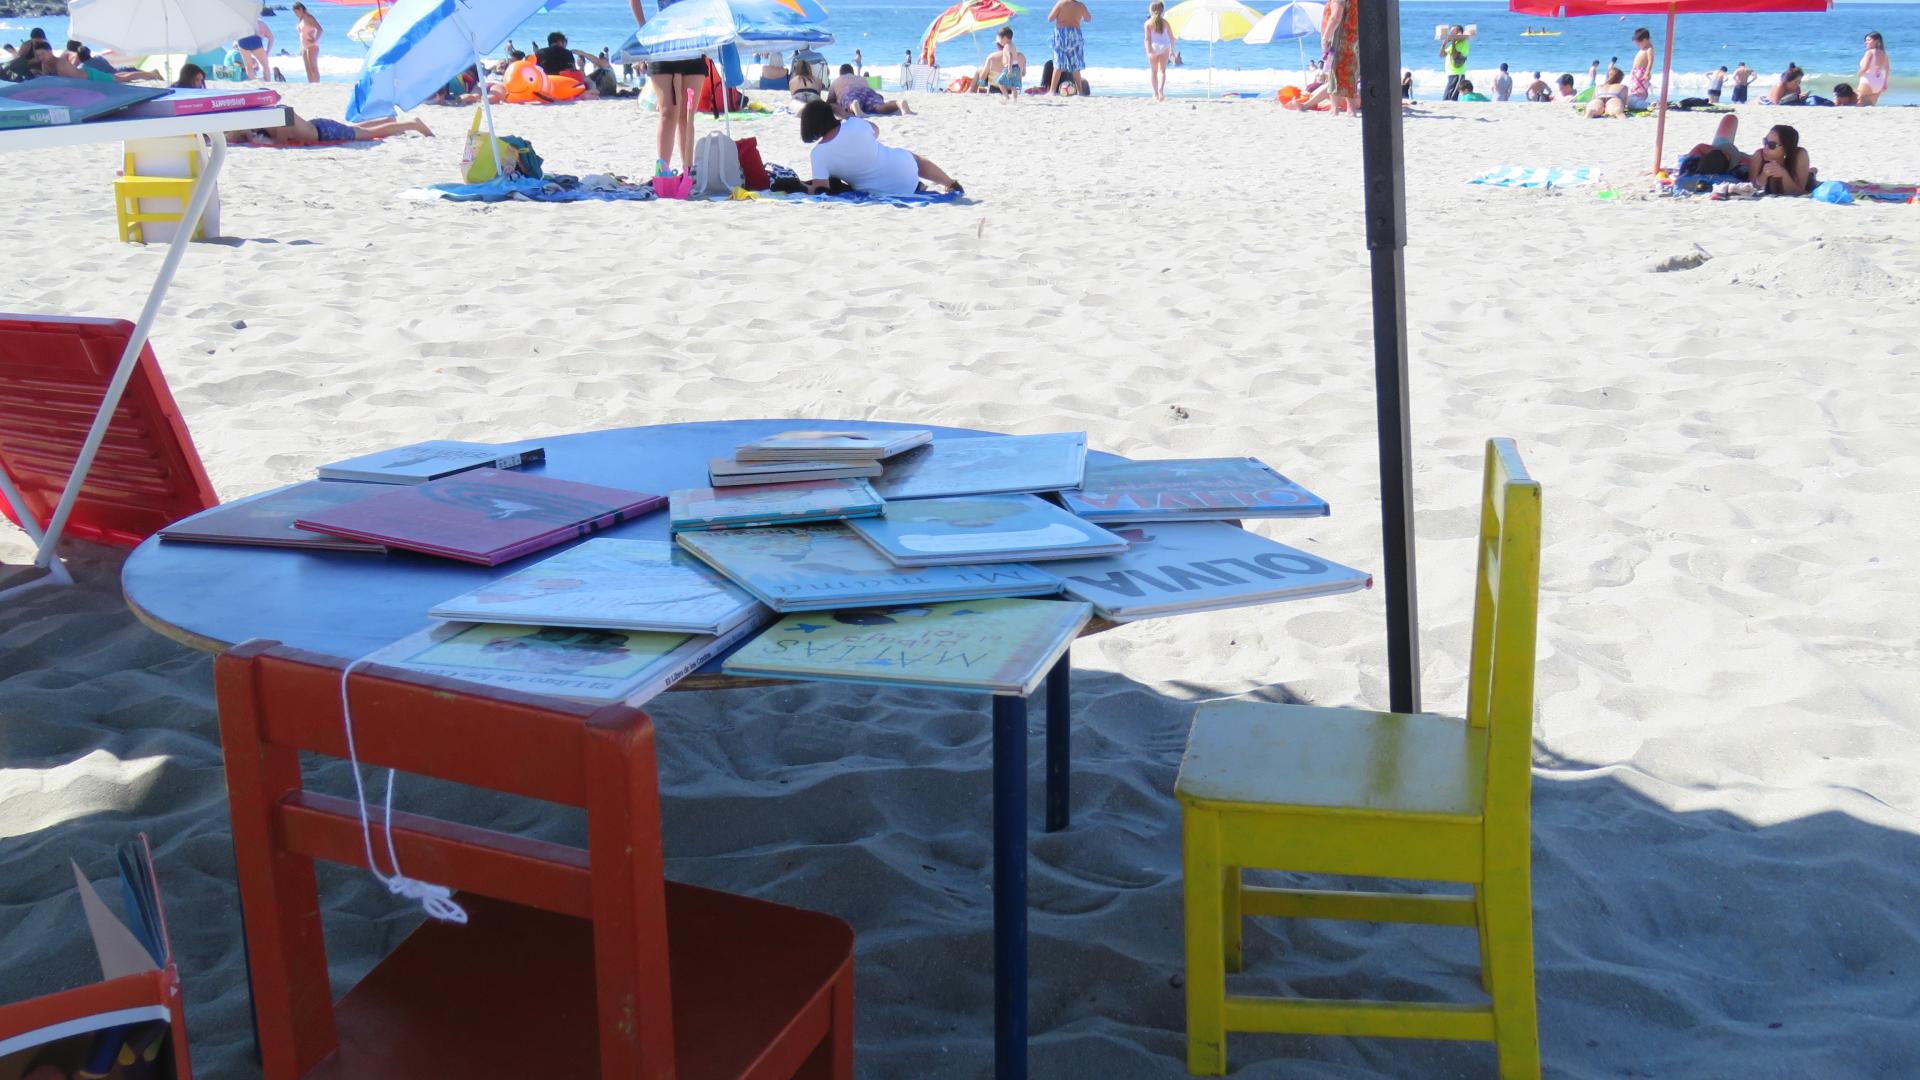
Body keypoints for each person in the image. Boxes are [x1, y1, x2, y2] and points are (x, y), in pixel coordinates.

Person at [798, 99, 959, 196]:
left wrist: (800, 186)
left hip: (878, 190)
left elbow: (821, 191)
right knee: (913, 159)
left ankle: (918, 185)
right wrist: (846, 115)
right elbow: (876, 130)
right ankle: (950, 183)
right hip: (903, 168)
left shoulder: (818, 154)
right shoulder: (854, 125)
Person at [630, 0, 709, 178]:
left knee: (687, 116)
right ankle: (662, 172)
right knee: (668, 113)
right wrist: (643, 28)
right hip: (662, 44)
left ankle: (687, 172)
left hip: (693, 44)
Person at [243, 108, 433, 146]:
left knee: (367, 134)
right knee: (356, 129)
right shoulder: (269, 119)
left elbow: (281, 143)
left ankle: (413, 124)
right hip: (318, 126)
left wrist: (268, 140)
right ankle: (389, 120)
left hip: (323, 132)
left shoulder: (279, 117)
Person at [1318, 0, 1358, 116]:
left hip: (1339, 39)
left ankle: (1334, 109)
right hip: (1353, 39)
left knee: (1334, 71)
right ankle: (1351, 109)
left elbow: (1335, 17)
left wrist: (1325, 38)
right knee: (1351, 73)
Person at [830, 62, 912, 115]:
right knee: (879, 107)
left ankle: (853, 105)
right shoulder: (860, 78)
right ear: (853, 72)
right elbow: (868, 89)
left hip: (850, 92)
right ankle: (898, 103)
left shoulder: (836, 81)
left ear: (840, 73)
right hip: (868, 91)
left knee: (849, 102)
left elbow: (830, 101)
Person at [1046, 0, 1090, 97]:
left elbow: (1050, 18)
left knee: (1058, 63)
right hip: (1075, 34)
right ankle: (1080, 92)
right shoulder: (1080, 5)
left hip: (1061, 34)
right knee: (1075, 64)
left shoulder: (1061, 3)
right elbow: (1088, 18)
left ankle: (1052, 91)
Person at [983, 27, 1025, 100]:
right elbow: (1023, 73)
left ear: (1005, 38)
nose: (1000, 41)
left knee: (1000, 83)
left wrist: (1009, 68)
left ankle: (1006, 97)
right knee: (1013, 86)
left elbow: (1010, 56)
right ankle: (1014, 99)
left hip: (1009, 67)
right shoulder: (1013, 45)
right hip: (1016, 67)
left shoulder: (1006, 46)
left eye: (1000, 39)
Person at [1143, 1, 1173, 102]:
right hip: (1165, 47)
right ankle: (1161, 91)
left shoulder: (1147, 23)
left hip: (1154, 47)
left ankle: (1155, 94)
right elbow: (1172, 37)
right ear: (1162, 10)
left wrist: (1149, 52)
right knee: (1163, 71)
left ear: (1151, 10)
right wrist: (1172, 50)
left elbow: (1147, 39)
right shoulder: (1165, 22)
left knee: (1154, 71)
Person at [290, 2, 321, 83]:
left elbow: (320, 29)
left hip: (312, 45)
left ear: (300, 9)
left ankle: (317, 84)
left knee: (313, 67)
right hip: (304, 46)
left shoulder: (309, 18)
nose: (296, 14)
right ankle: (311, 84)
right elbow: (301, 34)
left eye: (296, 12)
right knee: (307, 68)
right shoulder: (301, 19)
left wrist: (315, 39)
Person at [1856, 32, 1888, 106]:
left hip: (1868, 81)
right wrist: (1885, 83)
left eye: (1868, 40)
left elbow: (1864, 68)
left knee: (1859, 103)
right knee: (1870, 105)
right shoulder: (1884, 53)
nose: (1866, 42)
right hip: (1879, 82)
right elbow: (1887, 69)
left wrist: (1859, 74)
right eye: (1866, 40)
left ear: (1876, 41)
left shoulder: (1869, 52)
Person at [1439, 25, 1470, 100]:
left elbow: (1454, 56)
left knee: (1451, 97)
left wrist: (1453, 41)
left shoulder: (1464, 43)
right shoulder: (1454, 45)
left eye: (1453, 31)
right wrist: (1444, 44)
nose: (1451, 33)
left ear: (1459, 32)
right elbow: (1441, 55)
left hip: (1457, 74)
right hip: (1451, 74)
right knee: (1446, 97)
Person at [1628, 27, 1653, 109]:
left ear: (1645, 40)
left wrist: (1648, 72)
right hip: (1636, 72)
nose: (1638, 45)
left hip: (1642, 73)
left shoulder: (1649, 49)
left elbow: (1650, 61)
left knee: (1640, 90)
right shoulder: (1643, 48)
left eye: (1639, 43)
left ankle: (1642, 103)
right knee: (1634, 89)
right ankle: (1636, 102)